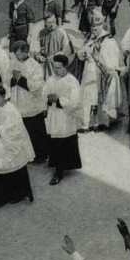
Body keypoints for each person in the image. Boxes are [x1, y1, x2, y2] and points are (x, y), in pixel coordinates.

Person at [76, 11, 123, 132]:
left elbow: (112, 59)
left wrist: (98, 54)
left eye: (96, 29)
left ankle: (98, 122)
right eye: (92, 28)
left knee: (97, 99)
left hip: (101, 74)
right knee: (87, 98)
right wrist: (84, 53)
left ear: (102, 26)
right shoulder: (90, 38)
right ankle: (86, 123)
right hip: (88, 72)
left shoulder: (108, 40)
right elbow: (80, 52)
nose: (94, 31)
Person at [44, 54, 83, 185]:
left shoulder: (72, 81)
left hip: (66, 116)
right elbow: (44, 94)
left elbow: (76, 102)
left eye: (59, 68)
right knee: (55, 141)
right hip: (54, 115)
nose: (56, 71)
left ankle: (59, 172)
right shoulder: (51, 79)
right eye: (54, 67)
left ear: (65, 66)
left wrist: (59, 100)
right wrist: (48, 100)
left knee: (63, 142)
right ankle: (58, 166)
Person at [9, 41, 49, 163]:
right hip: (18, 99)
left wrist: (20, 78)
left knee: (34, 129)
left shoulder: (34, 65)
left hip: (31, 101)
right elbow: (7, 78)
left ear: (25, 52)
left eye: (18, 53)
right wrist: (12, 79)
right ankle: (25, 153)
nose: (16, 56)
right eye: (15, 53)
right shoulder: (14, 63)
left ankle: (40, 155)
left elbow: (37, 84)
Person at [35, 13, 72, 79]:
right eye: (49, 22)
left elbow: (67, 50)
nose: (52, 24)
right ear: (45, 23)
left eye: (53, 22)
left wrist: (56, 56)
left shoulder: (61, 32)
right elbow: (37, 49)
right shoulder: (41, 33)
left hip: (58, 65)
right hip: (45, 66)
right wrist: (39, 57)